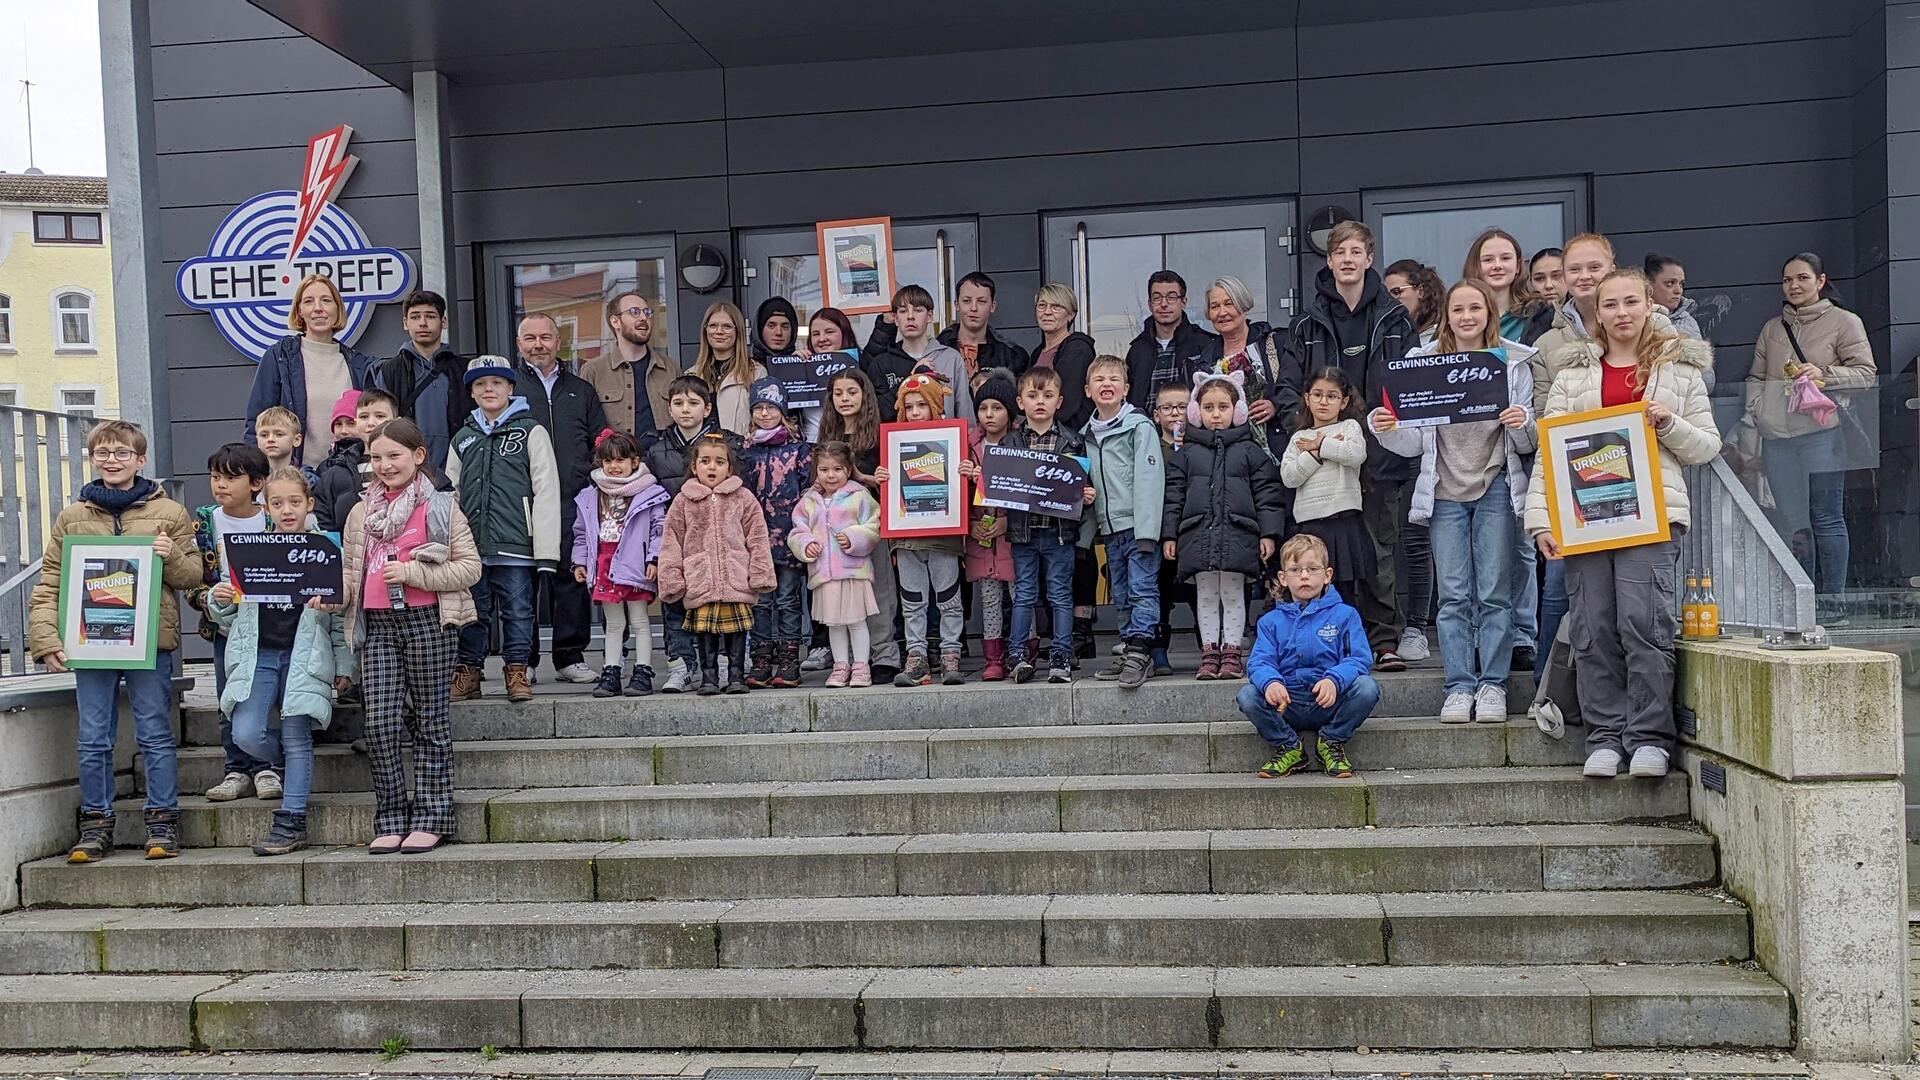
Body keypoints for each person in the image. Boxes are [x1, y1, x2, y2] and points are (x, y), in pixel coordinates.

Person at [1529, 269, 1719, 778]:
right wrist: (1540, 520)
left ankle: (1650, 738)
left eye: (1630, 302)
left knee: (1645, 625)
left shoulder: (1680, 371)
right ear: (1598, 313)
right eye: (1610, 305)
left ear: (1648, 304)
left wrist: (1669, 423)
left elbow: (1707, 446)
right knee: (1592, 629)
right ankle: (1605, 736)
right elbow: (1549, 457)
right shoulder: (1571, 376)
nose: (1621, 313)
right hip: (1585, 523)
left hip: (1652, 521)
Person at [33, 421, 201, 862]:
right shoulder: (72, 517)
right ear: (93, 458)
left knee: (155, 734)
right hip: (89, 644)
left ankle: (162, 823)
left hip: (150, 642)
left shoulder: (171, 513)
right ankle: (95, 827)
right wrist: (47, 638)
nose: (112, 460)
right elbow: (51, 581)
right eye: (103, 453)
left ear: (140, 459)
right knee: (93, 738)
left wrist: (172, 556)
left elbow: (194, 578)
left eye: (122, 453)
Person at [1371, 279, 1536, 725]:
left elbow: (1527, 441)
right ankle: (1460, 685)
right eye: (1458, 309)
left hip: (1496, 485)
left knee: (1495, 593)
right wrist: (1384, 426)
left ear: (1489, 314)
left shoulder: (1513, 362)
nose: (1466, 317)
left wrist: (1522, 423)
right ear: (1446, 315)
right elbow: (1409, 444)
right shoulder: (1420, 363)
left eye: (1474, 309)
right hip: (1442, 490)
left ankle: (1494, 684)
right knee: (1455, 595)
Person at [338, 418, 481, 853]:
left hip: (428, 622)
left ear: (417, 457)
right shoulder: (360, 512)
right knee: (379, 724)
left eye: (394, 456)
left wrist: (416, 572)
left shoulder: (440, 506)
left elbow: (470, 568)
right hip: (377, 626)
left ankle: (432, 816)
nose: (384, 465)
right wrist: (329, 595)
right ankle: (391, 815)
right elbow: (350, 574)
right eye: (376, 457)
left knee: (430, 721)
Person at [1284, 220, 1419, 670]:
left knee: (1378, 552)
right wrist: (1310, 435)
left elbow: (1413, 387)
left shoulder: (1395, 318)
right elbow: (1287, 390)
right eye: (1339, 251)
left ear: (1369, 258)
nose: (1347, 258)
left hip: (1380, 455)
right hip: (1322, 463)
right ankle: (1325, 643)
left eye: (1355, 251)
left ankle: (1383, 641)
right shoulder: (1305, 324)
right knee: (1323, 555)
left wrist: (1394, 432)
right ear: (1328, 260)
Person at [208, 467, 349, 856]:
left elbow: (339, 619)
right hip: (259, 655)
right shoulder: (248, 549)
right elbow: (229, 611)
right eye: (277, 502)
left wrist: (344, 666)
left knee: (296, 735)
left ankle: (291, 819)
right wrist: (217, 600)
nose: (286, 510)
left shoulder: (324, 550)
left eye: (294, 502)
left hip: (306, 656)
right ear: (265, 506)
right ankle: (290, 762)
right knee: (246, 733)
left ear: (309, 504)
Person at [1743, 252, 1877, 604]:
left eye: (1802, 278)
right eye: (1788, 280)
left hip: (1822, 434)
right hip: (1778, 439)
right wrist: (1760, 411)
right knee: (1792, 522)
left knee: (1826, 516)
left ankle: (1833, 601)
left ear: (1820, 281)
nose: (1794, 285)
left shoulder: (1844, 322)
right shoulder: (1773, 328)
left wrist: (1825, 375)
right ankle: (1801, 603)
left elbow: (1866, 374)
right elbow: (1756, 376)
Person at [445, 356, 561, 704]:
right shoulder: (463, 438)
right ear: (472, 392)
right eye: (480, 384)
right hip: (472, 547)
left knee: (517, 611)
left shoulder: (531, 431)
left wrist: (545, 552)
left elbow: (547, 490)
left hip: (516, 545)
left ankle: (516, 670)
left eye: (496, 382)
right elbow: (451, 493)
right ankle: (469, 671)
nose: (489, 389)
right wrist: (451, 543)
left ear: (510, 388)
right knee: (473, 613)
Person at [1163, 371, 1285, 681]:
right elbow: (1173, 496)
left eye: (1223, 407)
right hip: (1197, 533)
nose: (1216, 414)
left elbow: (1268, 496)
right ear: (1196, 411)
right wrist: (1169, 534)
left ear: (1238, 410)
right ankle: (1209, 651)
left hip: (1238, 533)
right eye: (1208, 408)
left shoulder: (1250, 452)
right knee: (1205, 594)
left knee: (1232, 593)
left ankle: (1232, 651)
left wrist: (1268, 533)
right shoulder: (1186, 454)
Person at [1235, 534, 1381, 780]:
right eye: (1296, 569)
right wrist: (1271, 682)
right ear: (1283, 578)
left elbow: (1359, 659)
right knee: (1248, 696)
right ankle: (1288, 746)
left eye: (1312, 569)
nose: (1304, 576)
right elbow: (1259, 662)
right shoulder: (1270, 622)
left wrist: (1334, 680)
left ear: (1327, 575)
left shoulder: (1345, 615)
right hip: (1287, 703)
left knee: (1367, 688)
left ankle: (1331, 741)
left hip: (1329, 701)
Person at [512, 313, 608, 685]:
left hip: (574, 497)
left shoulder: (580, 389)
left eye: (546, 337)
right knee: (527, 580)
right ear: (519, 343)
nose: (538, 344)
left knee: (573, 575)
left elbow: (598, 440)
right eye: (530, 338)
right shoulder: (510, 389)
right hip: (524, 501)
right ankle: (526, 658)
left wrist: (590, 480)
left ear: (558, 341)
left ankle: (570, 656)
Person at [186, 441, 280, 804]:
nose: (220, 485)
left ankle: (267, 768)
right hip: (226, 628)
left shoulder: (272, 518)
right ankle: (236, 770)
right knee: (229, 698)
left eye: (230, 478)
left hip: (270, 627)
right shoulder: (204, 522)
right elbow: (192, 581)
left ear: (257, 482)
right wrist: (210, 598)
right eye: (214, 477)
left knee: (267, 699)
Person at [658, 434, 775, 695]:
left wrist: (759, 572)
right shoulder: (683, 500)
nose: (712, 467)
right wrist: (672, 578)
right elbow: (671, 541)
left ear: (730, 468)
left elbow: (757, 536)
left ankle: (735, 675)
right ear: (694, 466)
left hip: (735, 576)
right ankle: (708, 676)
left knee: (736, 631)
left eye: (720, 462)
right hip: (700, 579)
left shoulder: (743, 498)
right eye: (706, 461)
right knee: (705, 633)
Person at [871, 369, 968, 686]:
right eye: (909, 407)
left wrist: (966, 473)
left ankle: (950, 654)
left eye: (921, 406)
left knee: (949, 600)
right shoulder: (895, 447)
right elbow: (888, 492)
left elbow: (965, 490)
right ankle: (917, 659)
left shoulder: (953, 443)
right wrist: (884, 480)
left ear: (935, 407)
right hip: (907, 539)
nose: (914, 413)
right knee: (912, 602)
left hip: (944, 538)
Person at [1004, 365, 1096, 684]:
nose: (1040, 401)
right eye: (1032, 395)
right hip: (1023, 533)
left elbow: (1083, 483)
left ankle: (1061, 655)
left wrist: (1086, 494)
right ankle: (1017, 655)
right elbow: (1001, 485)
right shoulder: (1011, 441)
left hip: (1060, 535)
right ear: (1020, 402)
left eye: (1047, 395)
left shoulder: (1072, 441)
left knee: (1059, 595)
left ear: (1059, 401)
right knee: (1024, 595)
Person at [1081, 355, 1164, 688]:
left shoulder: (1139, 427)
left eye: (1114, 379)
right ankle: (1130, 647)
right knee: (1121, 592)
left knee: (1143, 589)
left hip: (1137, 527)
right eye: (1099, 379)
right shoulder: (1086, 436)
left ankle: (1142, 650)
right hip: (1109, 527)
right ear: (1088, 390)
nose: (1107, 384)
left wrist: (1147, 531)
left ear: (1126, 389)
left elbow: (1149, 480)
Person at [571, 430, 669, 698]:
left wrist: (655, 558)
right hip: (604, 562)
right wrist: (579, 561)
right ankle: (611, 670)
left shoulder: (649, 493)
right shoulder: (591, 496)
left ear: (634, 462)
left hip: (635, 562)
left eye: (620, 461)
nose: (614, 467)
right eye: (608, 462)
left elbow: (659, 530)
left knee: (639, 621)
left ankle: (643, 670)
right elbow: (581, 533)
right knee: (613, 623)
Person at [818, 367, 901, 681]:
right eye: (838, 393)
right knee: (843, 594)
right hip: (835, 532)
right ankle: (851, 660)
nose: (844, 399)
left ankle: (884, 655)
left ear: (864, 395)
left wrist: (866, 478)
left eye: (851, 392)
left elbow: (892, 478)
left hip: (871, 525)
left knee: (879, 590)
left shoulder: (882, 434)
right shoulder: (828, 436)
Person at [643, 374, 724, 693]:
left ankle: (713, 665)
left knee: (712, 604)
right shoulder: (656, 447)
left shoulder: (722, 443)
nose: (685, 409)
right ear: (669, 408)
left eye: (693, 403)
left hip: (714, 538)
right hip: (672, 539)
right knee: (674, 602)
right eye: (678, 403)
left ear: (706, 409)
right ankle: (680, 665)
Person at [244, 274, 377, 464]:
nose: (318, 308)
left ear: (337, 309)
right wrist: (256, 472)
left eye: (326, 301)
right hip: (294, 480)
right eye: (309, 301)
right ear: (300, 312)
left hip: (347, 476)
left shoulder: (359, 365)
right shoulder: (280, 356)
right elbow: (256, 423)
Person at [1282, 367, 1374, 617]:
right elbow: (1289, 477)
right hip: (1311, 527)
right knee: (1309, 588)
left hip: (1343, 521)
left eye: (1332, 396)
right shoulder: (1299, 437)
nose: (1324, 401)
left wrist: (1321, 444)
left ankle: (1347, 643)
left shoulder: (1351, 427)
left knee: (1344, 590)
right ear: (1307, 398)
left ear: (1344, 401)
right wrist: (1314, 453)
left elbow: (1356, 455)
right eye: (1317, 395)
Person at [789, 442, 882, 688]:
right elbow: (798, 529)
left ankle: (861, 665)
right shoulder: (809, 500)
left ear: (849, 470)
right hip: (824, 573)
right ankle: (841, 666)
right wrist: (806, 544)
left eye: (838, 469)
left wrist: (854, 537)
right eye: (824, 470)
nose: (831, 475)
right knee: (835, 623)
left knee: (856, 621)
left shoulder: (860, 496)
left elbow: (874, 525)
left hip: (853, 572)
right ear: (816, 472)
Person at [741, 378, 811, 688]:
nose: (765, 413)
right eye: (759, 408)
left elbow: (811, 492)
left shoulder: (799, 449)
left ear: (783, 410)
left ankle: (788, 660)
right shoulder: (746, 450)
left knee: (787, 600)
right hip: (755, 541)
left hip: (790, 537)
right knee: (760, 601)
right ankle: (760, 660)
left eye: (771, 407)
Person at [1191, 276, 1292, 460]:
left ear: (1244, 305)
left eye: (1229, 304)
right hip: (1230, 461)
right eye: (1215, 307)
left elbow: (1300, 387)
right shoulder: (1204, 363)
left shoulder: (1275, 344)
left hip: (1279, 452)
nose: (1222, 312)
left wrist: (1276, 404)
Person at [373, 289, 466, 473]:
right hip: (406, 471)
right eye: (415, 317)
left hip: (457, 469)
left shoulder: (463, 369)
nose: (423, 323)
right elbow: (382, 424)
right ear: (405, 323)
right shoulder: (389, 371)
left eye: (430, 316)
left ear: (444, 322)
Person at [964, 370, 1018, 681]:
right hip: (980, 535)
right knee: (989, 599)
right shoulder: (967, 447)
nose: (989, 415)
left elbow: (1026, 492)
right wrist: (969, 526)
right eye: (983, 408)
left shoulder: (1019, 443)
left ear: (1010, 411)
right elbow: (956, 497)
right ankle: (993, 658)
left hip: (1012, 535)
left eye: (996, 408)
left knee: (1020, 595)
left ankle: (1024, 649)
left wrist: (1006, 523)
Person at [863, 284, 972, 423]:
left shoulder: (951, 358)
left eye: (918, 310)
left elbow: (964, 413)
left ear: (930, 316)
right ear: (896, 319)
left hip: (945, 442)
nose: (910, 316)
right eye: (903, 311)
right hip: (899, 442)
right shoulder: (882, 363)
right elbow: (875, 415)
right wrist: (912, 377)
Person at [581, 289, 679, 442]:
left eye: (647, 312)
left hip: (665, 462)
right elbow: (585, 428)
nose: (643, 317)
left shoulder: (671, 368)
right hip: (618, 463)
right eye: (634, 312)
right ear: (615, 322)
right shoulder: (593, 371)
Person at [1149, 381, 1195, 675]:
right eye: (1167, 408)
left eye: (1181, 406)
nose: (1175, 413)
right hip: (1159, 530)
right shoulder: (1150, 447)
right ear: (1156, 415)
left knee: (1197, 593)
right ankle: (1159, 652)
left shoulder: (1199, 445)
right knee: (1159, 594)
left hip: (1194, 531)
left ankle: (1209, 649)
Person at [1125, 270, 1216, 407]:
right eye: (1157, 298)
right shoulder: (1137, 351)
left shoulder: (1203, 344)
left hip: (1190, 427)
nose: (1164, 304)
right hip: (1144, 426)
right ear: (1149, 304)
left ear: (1183, 302)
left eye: (1171, 297)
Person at [1462, 228, 1555, 345]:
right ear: (1475, 267)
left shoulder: (1541, 315)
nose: (1497, 265)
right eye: (1488, 260)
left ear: (1517, 267)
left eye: (1505, 258)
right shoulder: (1459, 318)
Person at [1029, 283, 1098, 432]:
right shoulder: (1037, 353)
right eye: (1042, 305)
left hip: (1068, 437)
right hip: (1040, 434)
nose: (1047, 312)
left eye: (1056, 307)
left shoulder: (1077, 348)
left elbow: (1068, 401)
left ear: (1071, 314)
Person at [694, 301, 766, 436]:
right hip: (702, 454)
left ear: (738, 331)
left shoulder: (756, 372)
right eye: (713, 326)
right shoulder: (693, 374)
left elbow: (765, 419)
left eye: (727, 326)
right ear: (705, 330)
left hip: (741, 453)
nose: (719, 331)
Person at [313, 390, 371, 533]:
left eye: (350, 423)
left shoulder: (378, 462)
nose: (344, 431)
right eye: (338, 424)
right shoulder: (326, 467)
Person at [799, 307, 860, 442]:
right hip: (811, 449)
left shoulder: (861, 365)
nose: (822, 339)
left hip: (851, 446)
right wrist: (790, 366)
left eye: (829, 332)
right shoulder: (802, 367)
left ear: (844, 333)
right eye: (815, 334)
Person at [1383, 259, 1444, 342]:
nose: (1390, 300)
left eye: (1396, 292)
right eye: (1386, 295)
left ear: (1420, 291)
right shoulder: (1389, 334)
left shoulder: (1443, 332)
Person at [1644, 253, 1702, 339]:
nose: (1678, 290)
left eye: (1681, 284)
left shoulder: (1688, 322)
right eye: (1670, 284)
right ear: (1648, 285)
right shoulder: (1635, 320)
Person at [253, 407, 303, 474]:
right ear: (257, 440)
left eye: (279, 434)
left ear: (296, 440)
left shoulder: (308, 479)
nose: (270, 439)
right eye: (264, 435)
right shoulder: (251, 478)